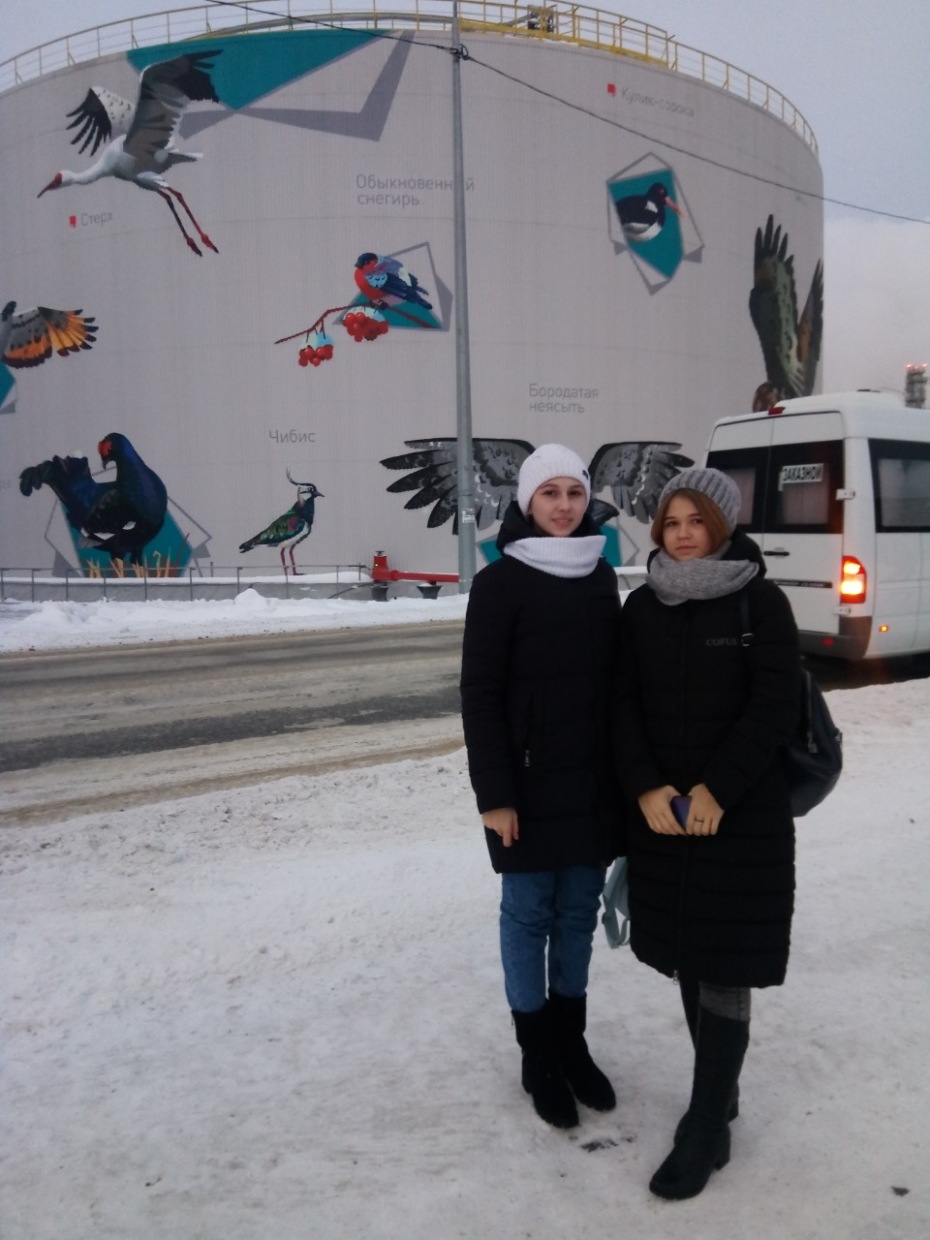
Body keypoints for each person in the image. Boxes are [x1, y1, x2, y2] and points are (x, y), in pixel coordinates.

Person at [613, 466, 801, 1200]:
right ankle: (721, 1093)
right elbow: (620, 705)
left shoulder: (760, 601)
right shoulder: (642, 607)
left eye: (697, 521)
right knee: (688, 954)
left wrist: (719, 790)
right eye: (671, 522)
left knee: (725, 963)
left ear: (721, 526)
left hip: (739, 816)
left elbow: (774, 706)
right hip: (663, 814)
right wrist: (646, 787)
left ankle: (706, 1126)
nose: (683, 535)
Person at [460, 443, 624, 1129]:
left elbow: (616, 690)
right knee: (528, 916)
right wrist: (495, 796)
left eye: (575, 493)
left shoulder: (600, 575)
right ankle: (536, 1053)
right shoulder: (499, 582)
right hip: (524, 790)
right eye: (549, 493)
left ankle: (571, 1043)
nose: (563, 506)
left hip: (589, 787)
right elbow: (480, 693)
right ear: (527, 501)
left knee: (577, 915)